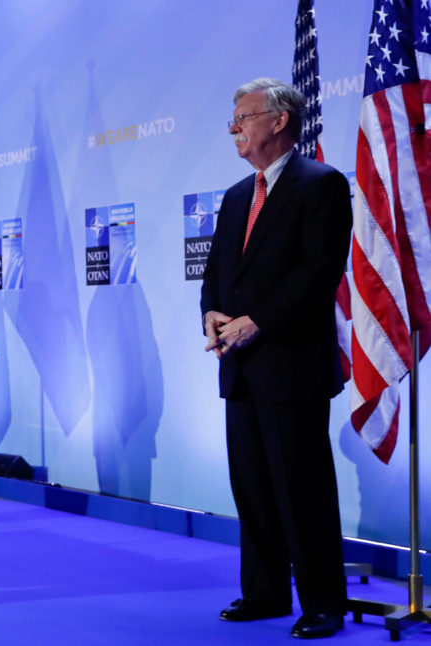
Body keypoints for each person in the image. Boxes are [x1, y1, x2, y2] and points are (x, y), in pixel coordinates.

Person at [201, 78, 350, 639]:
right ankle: (264, 593)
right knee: (254, 486)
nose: (234, 127)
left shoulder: (322, 184)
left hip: (291, 365)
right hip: (239, 366)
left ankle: (323, 603)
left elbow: (318, 273)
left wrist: (255, 322)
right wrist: (212, 315)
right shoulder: (238, 195)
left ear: (279, 120)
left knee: (302, 487)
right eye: (233, 118)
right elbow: (217, 272)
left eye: (243, 116)